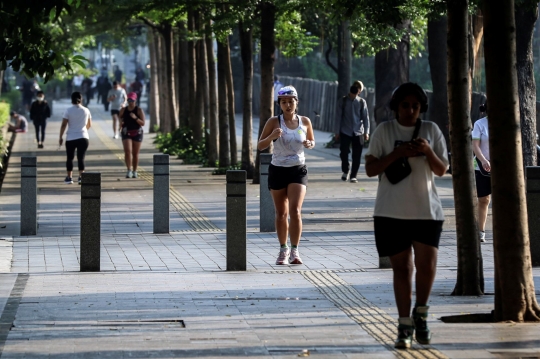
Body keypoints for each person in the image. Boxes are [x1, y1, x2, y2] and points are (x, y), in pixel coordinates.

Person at [364, 82, 448, 349]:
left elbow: (441, 169)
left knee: (427, 266)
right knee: (402, 269)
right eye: (405, 105)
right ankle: (404, 325)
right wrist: (398, 153)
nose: (410, 110)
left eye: (415, 105)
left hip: (426, 211)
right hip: (390, 212)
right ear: (396, 107)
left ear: (421, 107)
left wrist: (427, 151)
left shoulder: (431, 131)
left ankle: (420, 314)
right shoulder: (384, 131)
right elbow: (370, 169)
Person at [257, 85, 315, 265]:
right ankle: (283, 249)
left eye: (291, 101)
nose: (288, 105)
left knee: (295, 211)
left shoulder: (305, 121)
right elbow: (260, 146)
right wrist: (272, 136)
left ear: (296, 103)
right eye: (284, 102)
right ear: (279, 104)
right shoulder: (274, 122)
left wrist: (309, 144)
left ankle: (295, 251)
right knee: (281, 213)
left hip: (298, 169)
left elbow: (311, 141)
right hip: (278, 169)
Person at [334, 84, 370, 183]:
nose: (354, 96)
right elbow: (338, 117)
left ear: (359, 92)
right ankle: (346, 171)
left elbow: (366, 118)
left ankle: (353, 175)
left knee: (357, 155)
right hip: (346, 130)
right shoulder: (343, 101)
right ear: (350, 92)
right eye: (352, 94)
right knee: (344, 153)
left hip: (358, 132)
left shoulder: (362, 102)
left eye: (356, 94)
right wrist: (337, 132)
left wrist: (366, 132)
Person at [59, 92, 92, 185]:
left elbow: (63, 125)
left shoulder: (68, 110)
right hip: (83, 137)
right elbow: (89, 125)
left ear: (71, 99)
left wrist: (61, 136)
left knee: (70, 158)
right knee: (81, 158)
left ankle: (69, 177)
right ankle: (81, 177)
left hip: (71, 138)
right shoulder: (86, 110)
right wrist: (82, 130)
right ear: (81, 99)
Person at [472, 102, 490, 243]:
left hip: (503, 167)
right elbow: (475, 146)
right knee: (484, 199)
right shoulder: (479, 124)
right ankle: (481, 231)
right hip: (481, 166)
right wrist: (483, 160)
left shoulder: (507, 123)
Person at [119, 92, 145, 179]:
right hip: (126, 132)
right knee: (127, 151)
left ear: (135, 100)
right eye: (129, 100)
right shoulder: (123, 110)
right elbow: (120, 118)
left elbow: (143, 123)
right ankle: (129, 170)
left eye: (132, 100)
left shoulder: (139, 110)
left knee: (135, 153)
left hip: (137, 132)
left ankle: (135, 171)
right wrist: (120, 126)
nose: (130, 102)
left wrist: (135, 118)